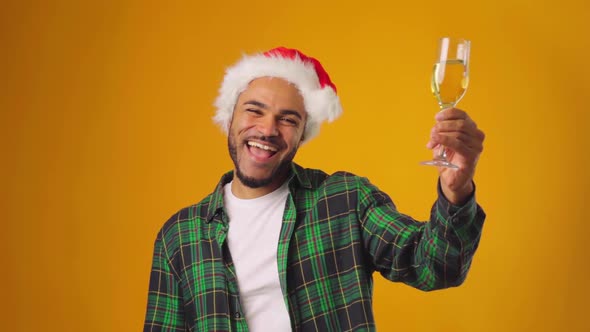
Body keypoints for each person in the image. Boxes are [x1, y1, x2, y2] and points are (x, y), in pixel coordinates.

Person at [144, 47, 486, 332]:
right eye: (254, 111)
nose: (267, 129)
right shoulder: (180, 236)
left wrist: (456, 191)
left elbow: (436, 268)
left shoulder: (345, 200)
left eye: (288, 119)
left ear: (302, 133)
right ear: (229, 118)